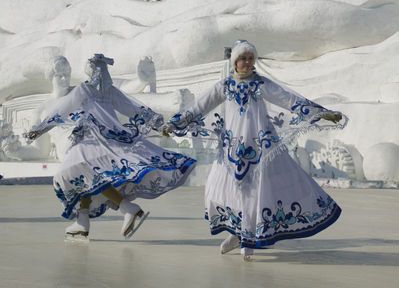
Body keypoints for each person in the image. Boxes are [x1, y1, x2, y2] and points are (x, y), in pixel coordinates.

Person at [165, 40, 347, 261]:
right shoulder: (224, 86)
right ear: (235, 62)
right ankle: (239, 233)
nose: (248, 62)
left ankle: (247, 238)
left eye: (251, 58)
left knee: (257, 192)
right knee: (221, 190)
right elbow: (199, 106)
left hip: (262, 148)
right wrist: (174, 124)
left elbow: (288, 99)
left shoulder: (261, 84)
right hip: (231, 150)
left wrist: (320, 112)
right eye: (243, 58)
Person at [26, 53, 196, 241]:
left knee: (73, 173)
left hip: (91, 140)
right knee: (88, 176)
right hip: (106, 140)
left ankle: (123, 208)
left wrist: (39, 129)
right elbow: (134, 109)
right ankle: (83, 221)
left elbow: (61, 111)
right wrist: (158, 124)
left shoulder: (85, 89)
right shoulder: (110, 91)